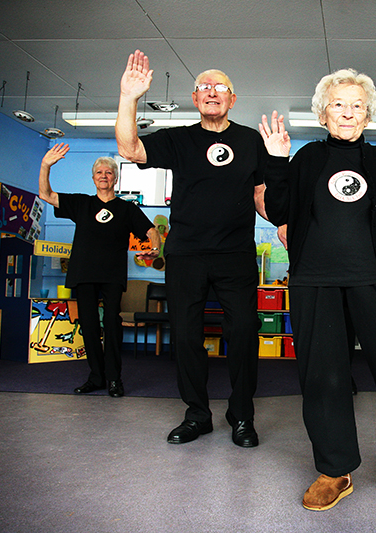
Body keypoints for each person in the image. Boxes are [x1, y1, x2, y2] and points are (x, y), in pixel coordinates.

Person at [258, 69, 376, 515]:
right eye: (339, 104)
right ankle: (334, 470)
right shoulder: (304, 158)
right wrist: (276, 160)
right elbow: (279, 209)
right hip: (314, 281)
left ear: (368, 115)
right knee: (323, 377)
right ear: (324, 114)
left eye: (357, 105)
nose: (348, 112)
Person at [116, 50, 269, 446]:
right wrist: (129, 97)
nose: (212, 92)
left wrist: (284, 224)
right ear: (195, 97)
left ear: (232, 99)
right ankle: (197, 414)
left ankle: (241, 415)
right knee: (185, 335)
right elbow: (130, 150)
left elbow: (260, 195)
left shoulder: (251, 140)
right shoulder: (178, 139)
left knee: (244, 332)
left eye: (220, 87)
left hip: (235, 254)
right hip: (186, 253)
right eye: (204, 87)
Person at [39, 143, 160, 398]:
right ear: (93, 178)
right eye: (99, 173)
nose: (104, 176)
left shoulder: (127, 208)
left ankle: (115, 379)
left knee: (113, 324)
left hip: (112, 275)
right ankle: (96, 377)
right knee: (90, 325)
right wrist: (45, 165)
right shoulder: (81, 204)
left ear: (115, 178)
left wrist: (155, 248)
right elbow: (46, 195)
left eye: (108, 173)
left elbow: (151, 230)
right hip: (84, 274)